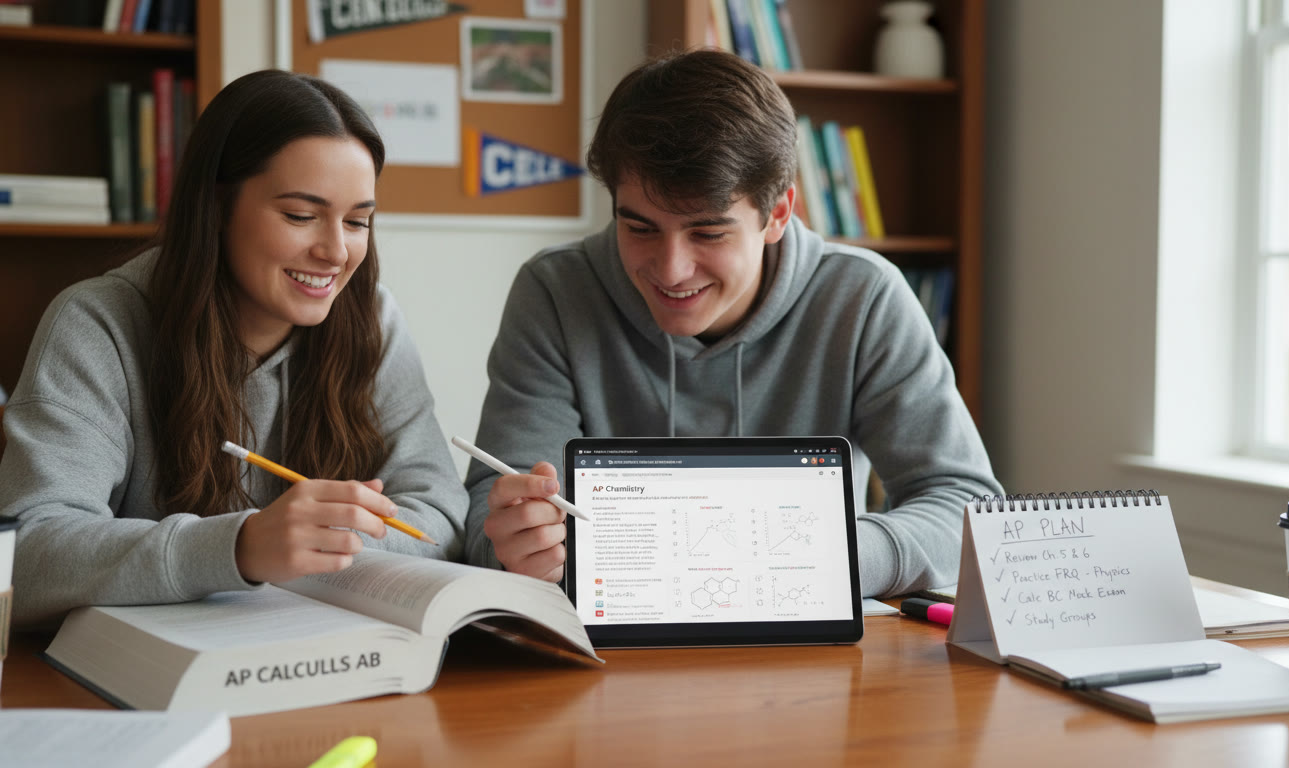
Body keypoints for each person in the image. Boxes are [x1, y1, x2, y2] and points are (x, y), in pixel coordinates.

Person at [464, 49, 1002, 598]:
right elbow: (490, 515)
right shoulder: (556, 292)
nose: (671, 271)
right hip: (614, 653)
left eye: (709, 233)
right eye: (640, 228)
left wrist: (825, 555)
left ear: (778, 214)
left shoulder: (862, 298)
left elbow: (966, 506)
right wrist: (515, 546)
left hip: (815, 646)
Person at [1, 70, 467, 627]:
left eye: (358, 221)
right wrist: (239, 547)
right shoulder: (98, 323)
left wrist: (314, 546)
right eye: (300, 215)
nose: (336, 252)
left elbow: (439, 516)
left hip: (324, 664)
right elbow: (29, 553)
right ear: (217, 207)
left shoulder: (373, 321)